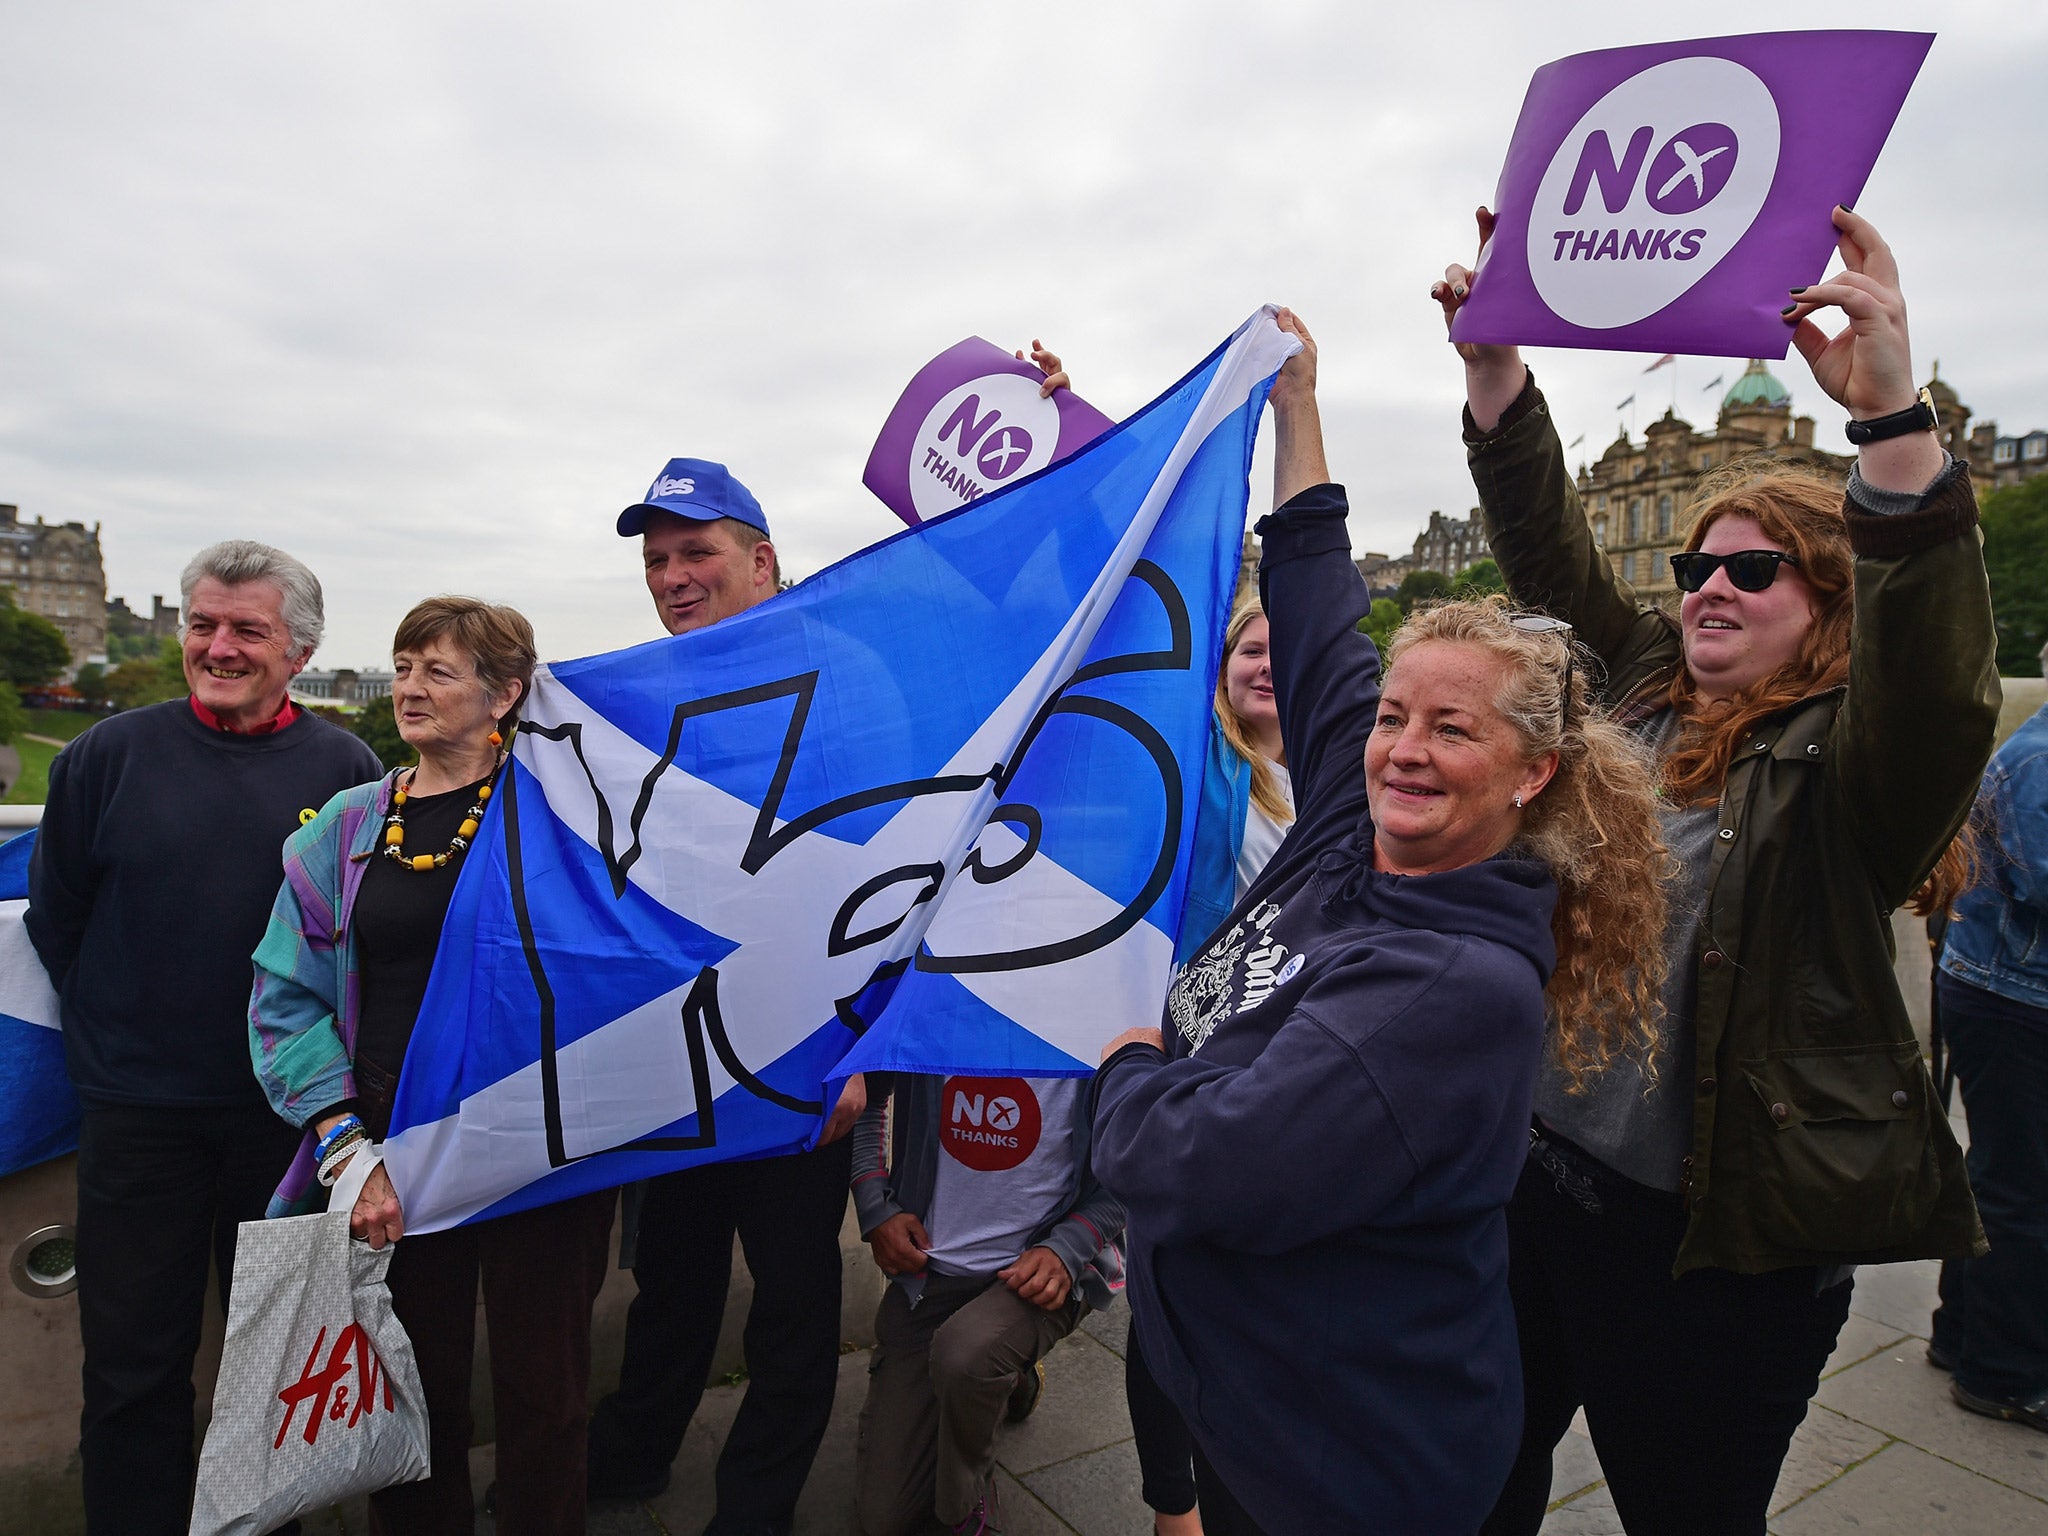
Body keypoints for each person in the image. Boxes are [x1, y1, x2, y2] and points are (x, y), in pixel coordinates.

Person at [1432, 207, 1997, 1536]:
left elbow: (1940, 682)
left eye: (1755, 568)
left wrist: (1892, 418)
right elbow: (1550, 553)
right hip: (1535, 1187)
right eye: (1697, 565)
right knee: (1479, 1487)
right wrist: (1497, 374)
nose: (1709, 586)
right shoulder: (1639, 686)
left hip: (1714, 1243)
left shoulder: (1859, 767)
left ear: (1834, 600)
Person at [1091, 311, 1671, 1534]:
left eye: (1451, 730)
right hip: (1252, 1397)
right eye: (1392, 715)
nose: (1402, 748)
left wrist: (1130, 1068)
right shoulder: (1357, 828)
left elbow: (1189, 1163)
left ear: (1531, 777)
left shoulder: (1441, 986)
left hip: (1338, 1460)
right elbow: (1313, 617)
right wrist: (1297, 405)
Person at [586, 344, 1071, 1531]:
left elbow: (898, 869)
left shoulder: (847, 672)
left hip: (804, 1060)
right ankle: (630, 1462)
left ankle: (751, 1508)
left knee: (794, 1303)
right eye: (656, 559)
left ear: (764, 559)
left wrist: (857, 1044)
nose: (672, 576)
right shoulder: (653, 686)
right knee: (674, 1288)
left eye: (696, 551)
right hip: (685, 1052)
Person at [25, 540, 382, 1536]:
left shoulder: (344, 768)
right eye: (201, 625)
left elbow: (357, 942)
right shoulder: (107, 756)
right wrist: (121, 1047)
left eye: (246, 630)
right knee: (133, 1370)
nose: (217, 646)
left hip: (287, 1127)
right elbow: (59, 920)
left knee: (272, 1375)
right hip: (140, 1122)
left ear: (298, 648)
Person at [250, 596, 616, 1534]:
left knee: (548, 1392)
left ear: (505, 696)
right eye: (404, 665)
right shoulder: (345, 826)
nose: (409, 686)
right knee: (406, 1390)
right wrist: (345, 1148)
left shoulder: (568, 811)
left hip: (546, 1142)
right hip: (394, 1149)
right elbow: (284, 1000)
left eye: (437, 671)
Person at [1130, 594, 1295, 1536]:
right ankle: (1172, 1499)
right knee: (1166, 1283)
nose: (1267, 663)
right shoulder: (1198, 759)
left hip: (1290, 1061)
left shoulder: (1343, 769)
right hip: (1195, 1049)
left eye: (1286, 648)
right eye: (1250, 648)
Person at [849, 1070, 1125, 1535]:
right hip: (933, 1273)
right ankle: (1007, 1379)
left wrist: (1070, 1245)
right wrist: (876, 1205)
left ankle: (969, 1508)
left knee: (968, 1356)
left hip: (1038, 1271)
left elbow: (1141, 1153)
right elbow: (868, 1098)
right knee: (884, 1517)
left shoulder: (1099, 1021)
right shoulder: (933, 1001)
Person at [1929, 698, 2048, 1433]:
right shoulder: (2041, 760)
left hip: (2008, 992)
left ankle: (1959, 1336)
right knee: (2023, 1189)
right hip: (2012, 999)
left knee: (2006, 1176)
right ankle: (2002, 1373)